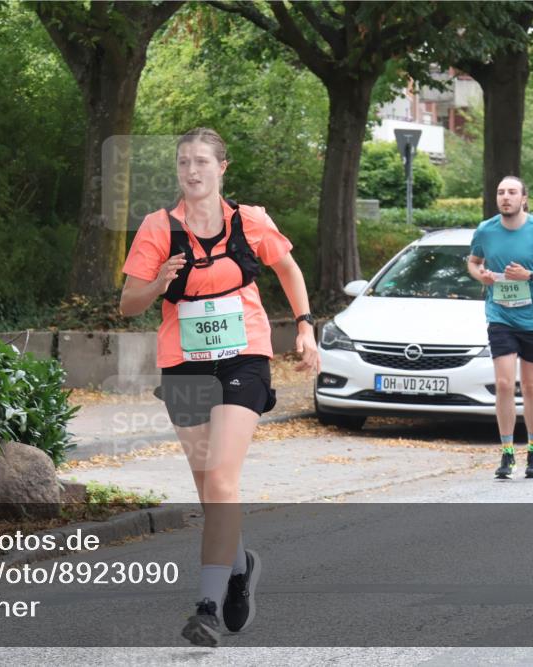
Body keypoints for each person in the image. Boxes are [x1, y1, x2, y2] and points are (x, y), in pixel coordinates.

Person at [119, 128, 319, 646]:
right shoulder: (157, 227)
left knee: (223, 480)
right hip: (183, 364)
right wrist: (159, 281)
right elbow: (128, 304)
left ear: (221, 167)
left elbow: (289, 269)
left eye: (202, 161)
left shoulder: (249, 221)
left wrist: (304, 325)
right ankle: (239, 567)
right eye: (184, 162)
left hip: (243, 357)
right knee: (209, 486)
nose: (192, 170)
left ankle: (206, 605)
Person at [467, 176, 533, 480]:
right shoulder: (486, 230)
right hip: (501, 316)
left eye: (511, 192)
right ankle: (507, 451)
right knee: (505, 384)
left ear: (524, 198)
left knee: (531, 385)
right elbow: (473, 262)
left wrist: (529, 276)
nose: (505, 197)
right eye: (500, 192)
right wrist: (479, 275)